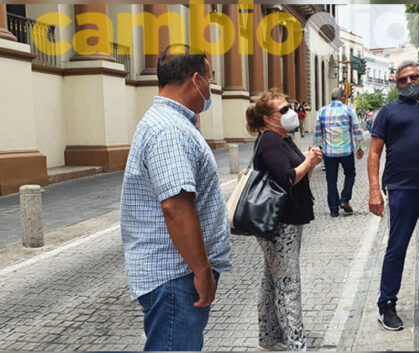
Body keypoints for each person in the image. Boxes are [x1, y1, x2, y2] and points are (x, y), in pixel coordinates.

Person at [120, 45, 232, 351]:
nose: (210, 87)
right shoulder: (169, 130)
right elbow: (176, 207)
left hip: (175, 274)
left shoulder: (173, 122)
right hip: (176, 275)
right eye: (210, 79)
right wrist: (202, 271)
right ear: (195, 79)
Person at [245, 88, 323, 351]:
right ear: (268, 118)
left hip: (288, 219)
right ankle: (296, 343)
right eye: (284, 110)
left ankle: (268, 339)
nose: (291, 113)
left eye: (290, 107)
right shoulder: (269, 140)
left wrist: (310, 164)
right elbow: (287, 178)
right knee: (289, 284)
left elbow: (299, 179)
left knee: (272, 280)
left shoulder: (284, 139)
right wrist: (307, 162)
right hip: (279, 224)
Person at [367, 60, 419, 331]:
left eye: (413, 77)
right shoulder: (388, 111)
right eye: (402, 80)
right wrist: (375, 190)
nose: (408, 83)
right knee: (396, 248)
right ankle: (386, 303)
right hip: (401, 191)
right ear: (396, 84)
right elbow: (374, 152)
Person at [314, 87, 364, 217]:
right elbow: (357, 130)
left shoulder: (322, 111)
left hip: (329, 152)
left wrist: (319, 147)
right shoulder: (348, 110)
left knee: (331, 180)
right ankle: (344, 199)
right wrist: (360, 148)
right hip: (346, 151)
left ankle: (333, 209)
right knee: (350, 174)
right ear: (343, 98)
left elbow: (318, 132)